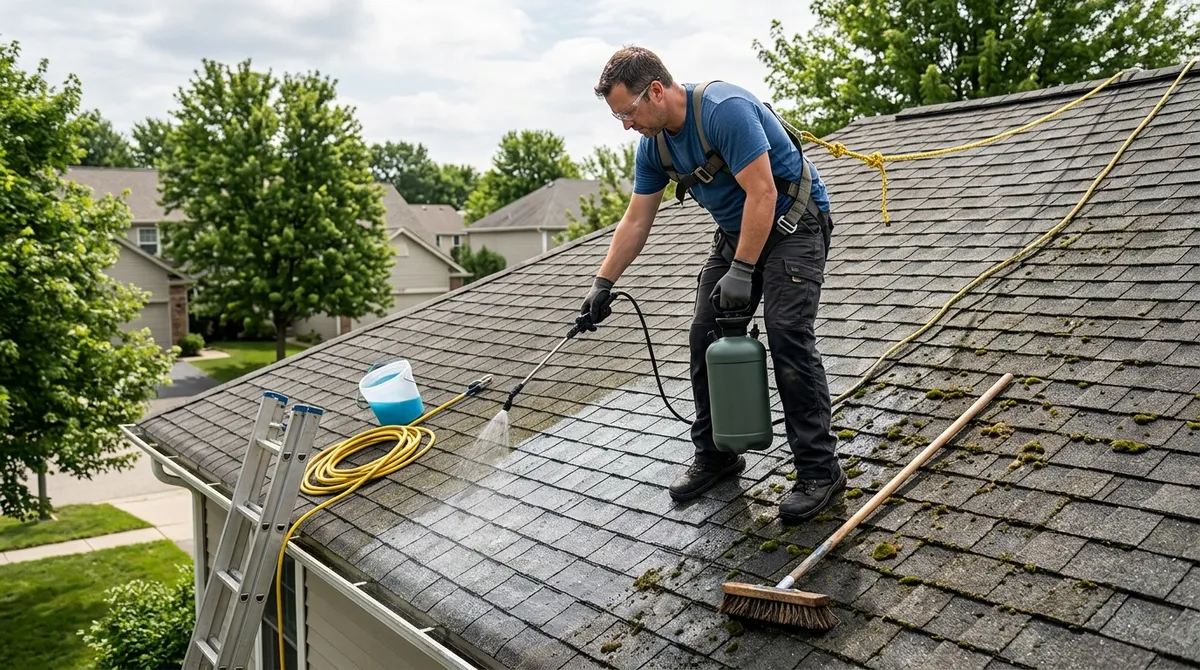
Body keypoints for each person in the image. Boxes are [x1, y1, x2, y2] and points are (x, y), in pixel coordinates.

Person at [578, 46, 844, 524]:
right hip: (737, 232)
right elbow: (637, 220)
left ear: (655, 91)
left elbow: (762, 192)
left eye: (627, 111)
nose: (625, 124)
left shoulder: (725, 111)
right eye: (617, 115)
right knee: (704, 336)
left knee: (786, 335)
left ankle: (820, 471)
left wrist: (743, 270)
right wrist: (602, 282)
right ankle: (718, 454)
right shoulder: (654, 146)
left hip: (794, 223)